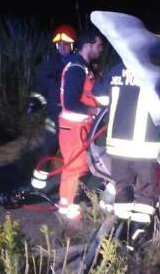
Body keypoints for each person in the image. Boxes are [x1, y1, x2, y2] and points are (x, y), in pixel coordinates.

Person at [92, 47, 160, 247]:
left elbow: (101, 98)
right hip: (146, 146)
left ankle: (118, 232)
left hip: (118, 146)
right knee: (146, 192)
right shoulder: (159, 72)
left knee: (123, 188)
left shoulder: (116, 70)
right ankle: (137, 238)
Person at [56, 27, 104, 219]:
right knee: (74, 168)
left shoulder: (85, 67)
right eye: (99, 45)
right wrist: (95, 111)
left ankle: (70, 206)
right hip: (74, 128)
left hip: (81, 127)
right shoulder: (76, 69)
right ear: (88, 45)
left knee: (81, 166)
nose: (102, 49)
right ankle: (68, 212)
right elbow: (70, 102)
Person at [26, 24, 76, 193]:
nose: (62, 47)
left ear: (73, 45)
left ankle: (72, 186)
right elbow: (42, 88)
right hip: (54, 114)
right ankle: (37, 187)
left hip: (73, 116)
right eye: (59, 44)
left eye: (66, 44)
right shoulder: (50, 65)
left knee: (75, 152)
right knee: (49, 147)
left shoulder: (78, 64)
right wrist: (35, 102)